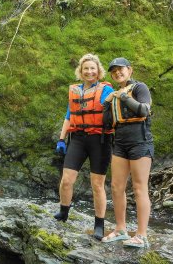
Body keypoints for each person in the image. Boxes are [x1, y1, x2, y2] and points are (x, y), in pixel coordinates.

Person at [55, 53, 114, 240]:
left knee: (97, 185)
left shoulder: (105, 90)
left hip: (100, 141)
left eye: (92, 69)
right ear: (81, 71)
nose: (89, 72)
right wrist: (61, 139)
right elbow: (68, 116)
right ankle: (63, 212)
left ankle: (99, 225)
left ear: (98, 72)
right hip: (78, 139)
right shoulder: (75, 91)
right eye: (86, 68)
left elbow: (112, 103)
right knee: (67, 180)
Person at [101, 57, 153, 248]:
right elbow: (106, 122)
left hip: (140, 142)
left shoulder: (140, 88)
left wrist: (124, 97)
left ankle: (141, 235)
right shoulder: (114, 95)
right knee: (116, 187)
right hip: (120, 143)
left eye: (120, 69)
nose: (117, 73)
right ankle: (121, 229)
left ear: (129, 70)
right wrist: (107, 105)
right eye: (113, 71)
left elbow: (143, 111)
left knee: (139, 188)